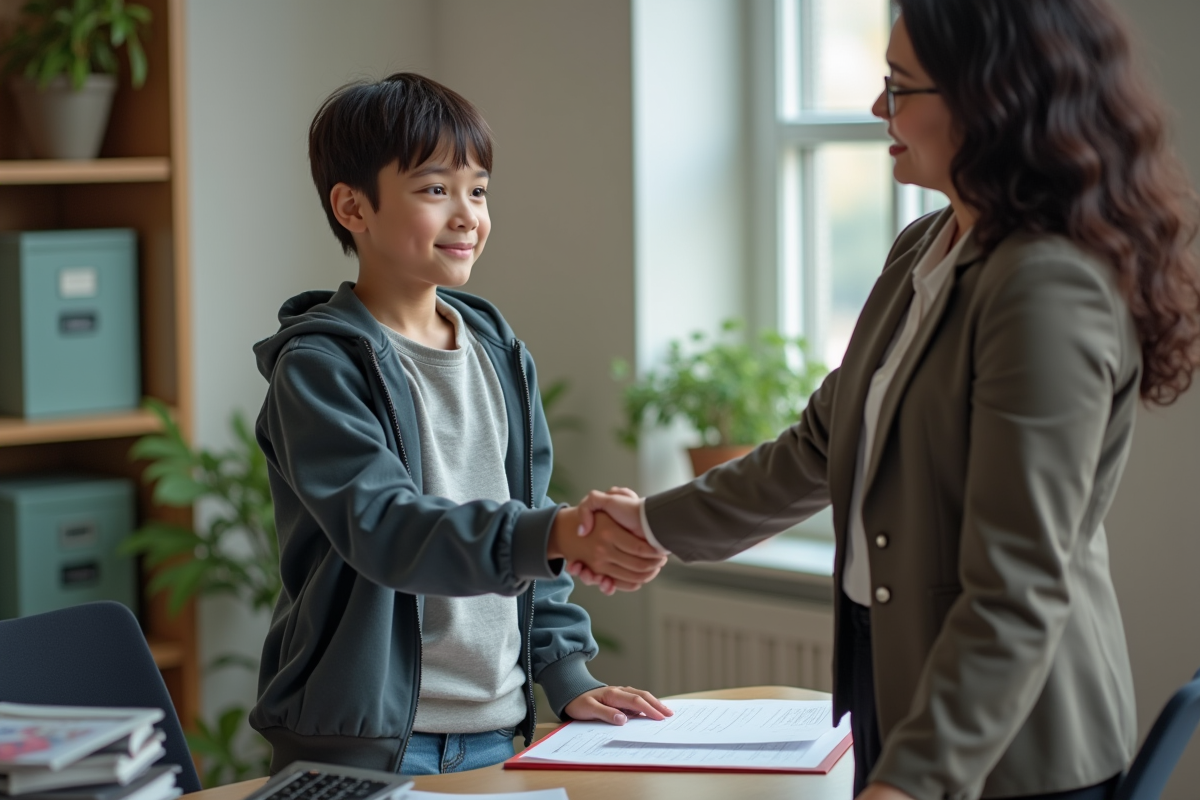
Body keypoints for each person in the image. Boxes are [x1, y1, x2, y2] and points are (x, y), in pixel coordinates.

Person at [571, 1, 1200, 799]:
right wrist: (653, 524)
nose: (878, 109)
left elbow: (1018, 587)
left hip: (1009, 747)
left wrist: (909, 782)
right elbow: (821, 443)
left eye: (900, 87)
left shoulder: (1046, 286)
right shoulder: (924, 248)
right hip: (895, 695)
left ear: (990, 100)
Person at [248, 72, 670, 777]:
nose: (468, 214)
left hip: (500, 730)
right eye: (435, 189)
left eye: (478, 190)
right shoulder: (319, 368)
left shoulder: (497, 349)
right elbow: (388, 528)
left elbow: (527, 518)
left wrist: (568, 678)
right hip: (367, 748)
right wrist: (557, 533)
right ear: (353, 206)